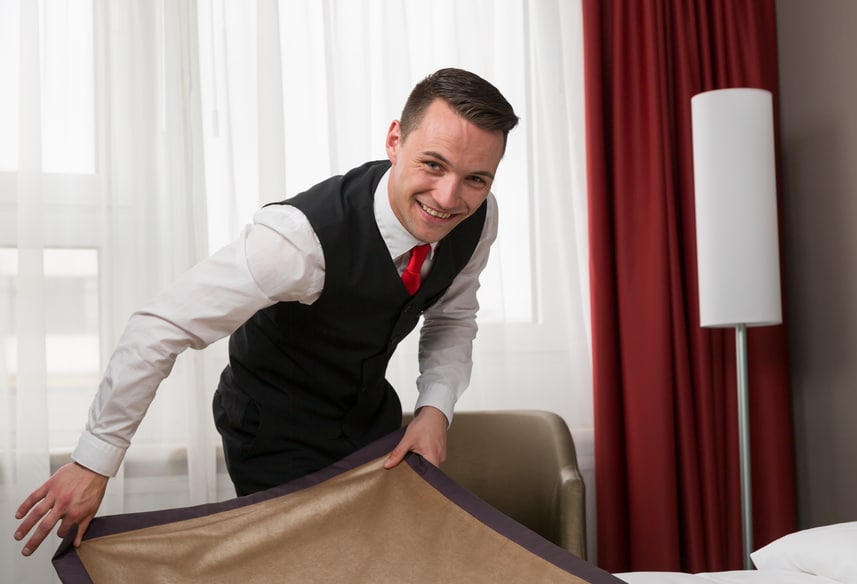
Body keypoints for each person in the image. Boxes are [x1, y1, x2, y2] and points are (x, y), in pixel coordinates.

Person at [14, 67, 519, 557]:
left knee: (381, 579)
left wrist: (434, 412)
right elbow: (160, 327)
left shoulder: (478, 218)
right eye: (433, 164)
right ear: (394, 140)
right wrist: (93, 463)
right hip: (274, 430)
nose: (449, 197)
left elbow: (453, 317)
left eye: (475, 178)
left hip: (368, 420)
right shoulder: (296, 241)